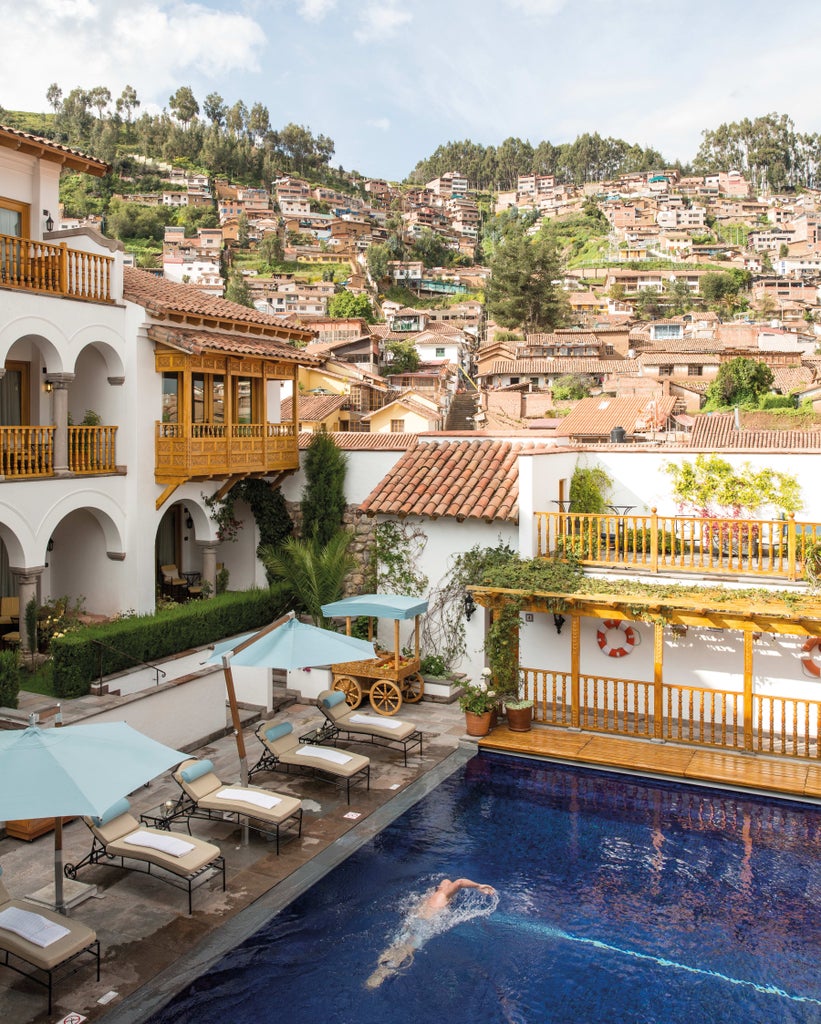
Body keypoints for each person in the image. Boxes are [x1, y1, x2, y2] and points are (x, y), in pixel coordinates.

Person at [366, 877, 496, 989]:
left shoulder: (426, 898)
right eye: (447, 885)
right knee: (407, 951)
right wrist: (478, 886)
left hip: (411, 922)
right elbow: (460, 882)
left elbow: (410, 912)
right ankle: (380, 976)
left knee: (395, 946)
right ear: (442, 888)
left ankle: (378, 970)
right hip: (423, 926)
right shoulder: (443, 895)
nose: (448, 885)